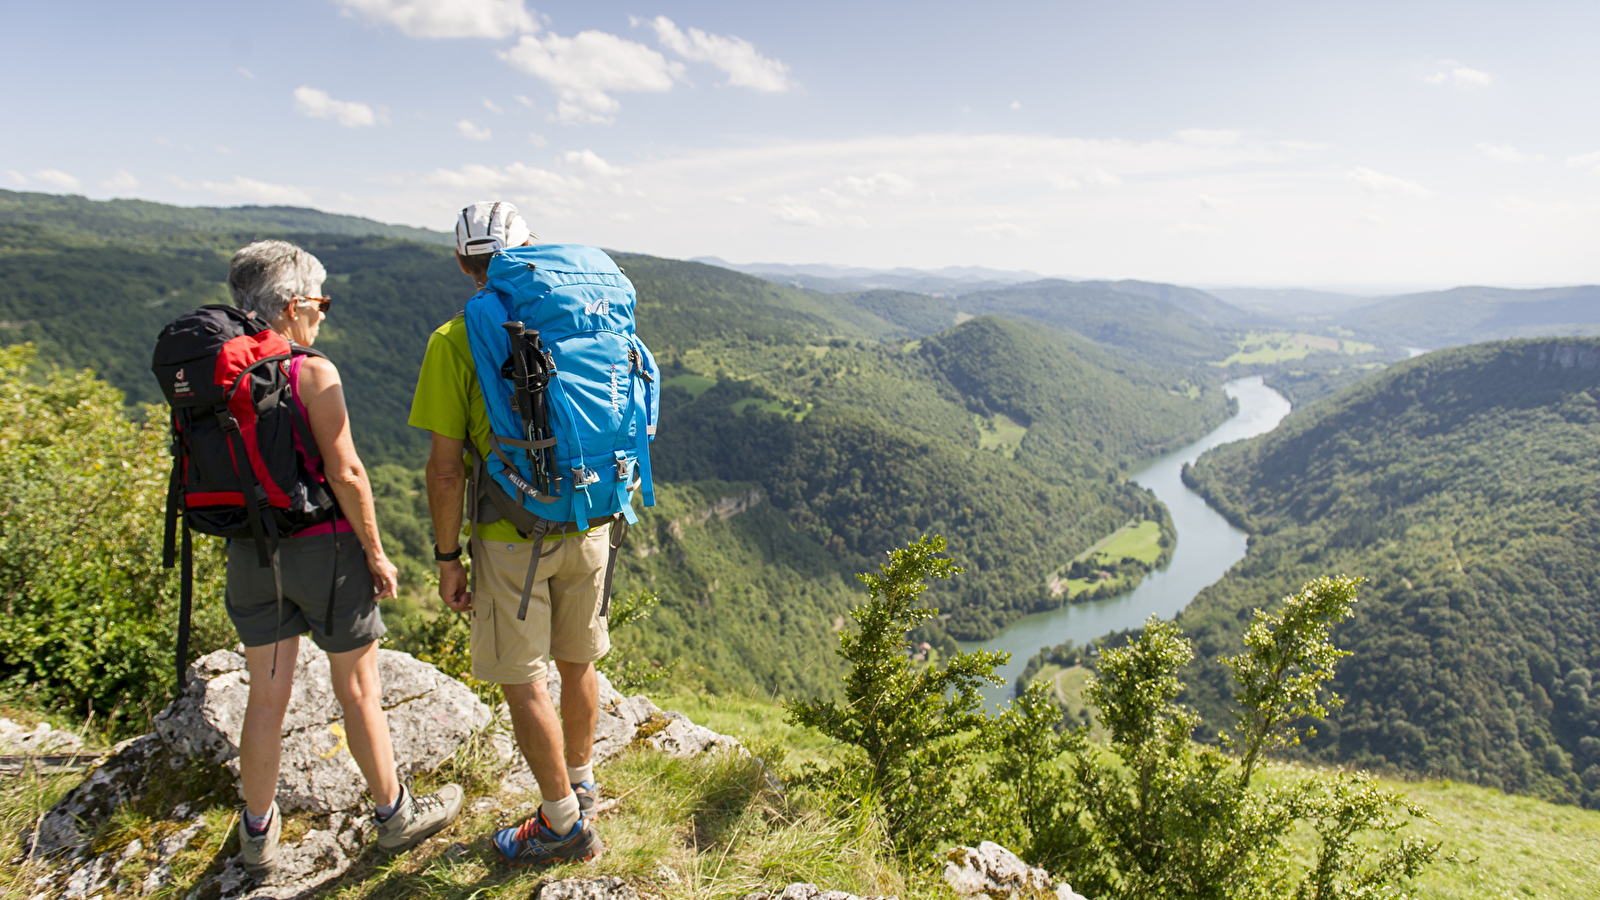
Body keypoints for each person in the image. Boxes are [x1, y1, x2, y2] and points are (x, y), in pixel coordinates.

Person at [224, 240, 463, 875]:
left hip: (249, 552)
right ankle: (394, 816)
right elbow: (348, 472)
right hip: (321, 551)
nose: (322, 315)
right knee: (358, 688)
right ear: (291, 306)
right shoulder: (310, 372)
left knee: (265, 695)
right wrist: (376, 553)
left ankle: (257, 832)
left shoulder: (220, 371)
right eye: (319, 303)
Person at [409, 202, 608, 866]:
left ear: (462, 264)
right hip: (589, 517)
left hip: (509, 532)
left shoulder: (453, 339)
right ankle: (581, 783)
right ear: (532, 250)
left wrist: (447, 557)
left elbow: (445, 470)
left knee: (522, 679)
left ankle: (562, 823)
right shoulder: (579, 317)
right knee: (578, 661)